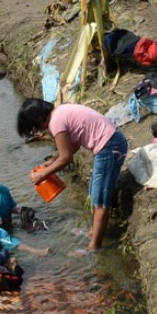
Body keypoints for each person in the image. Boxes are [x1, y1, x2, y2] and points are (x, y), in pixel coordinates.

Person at [17, 99, 128, 251]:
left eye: (34, 127)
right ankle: (93, 232)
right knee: (94, 194)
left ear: (38, 119)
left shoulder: (55, 122)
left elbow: (66, 158)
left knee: (100, 201)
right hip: (111, 142)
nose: (38, 131)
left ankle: (94, 247)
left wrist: (41, 175)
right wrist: (52, 162)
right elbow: (73, 145)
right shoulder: (60, 112)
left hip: (109, 146)